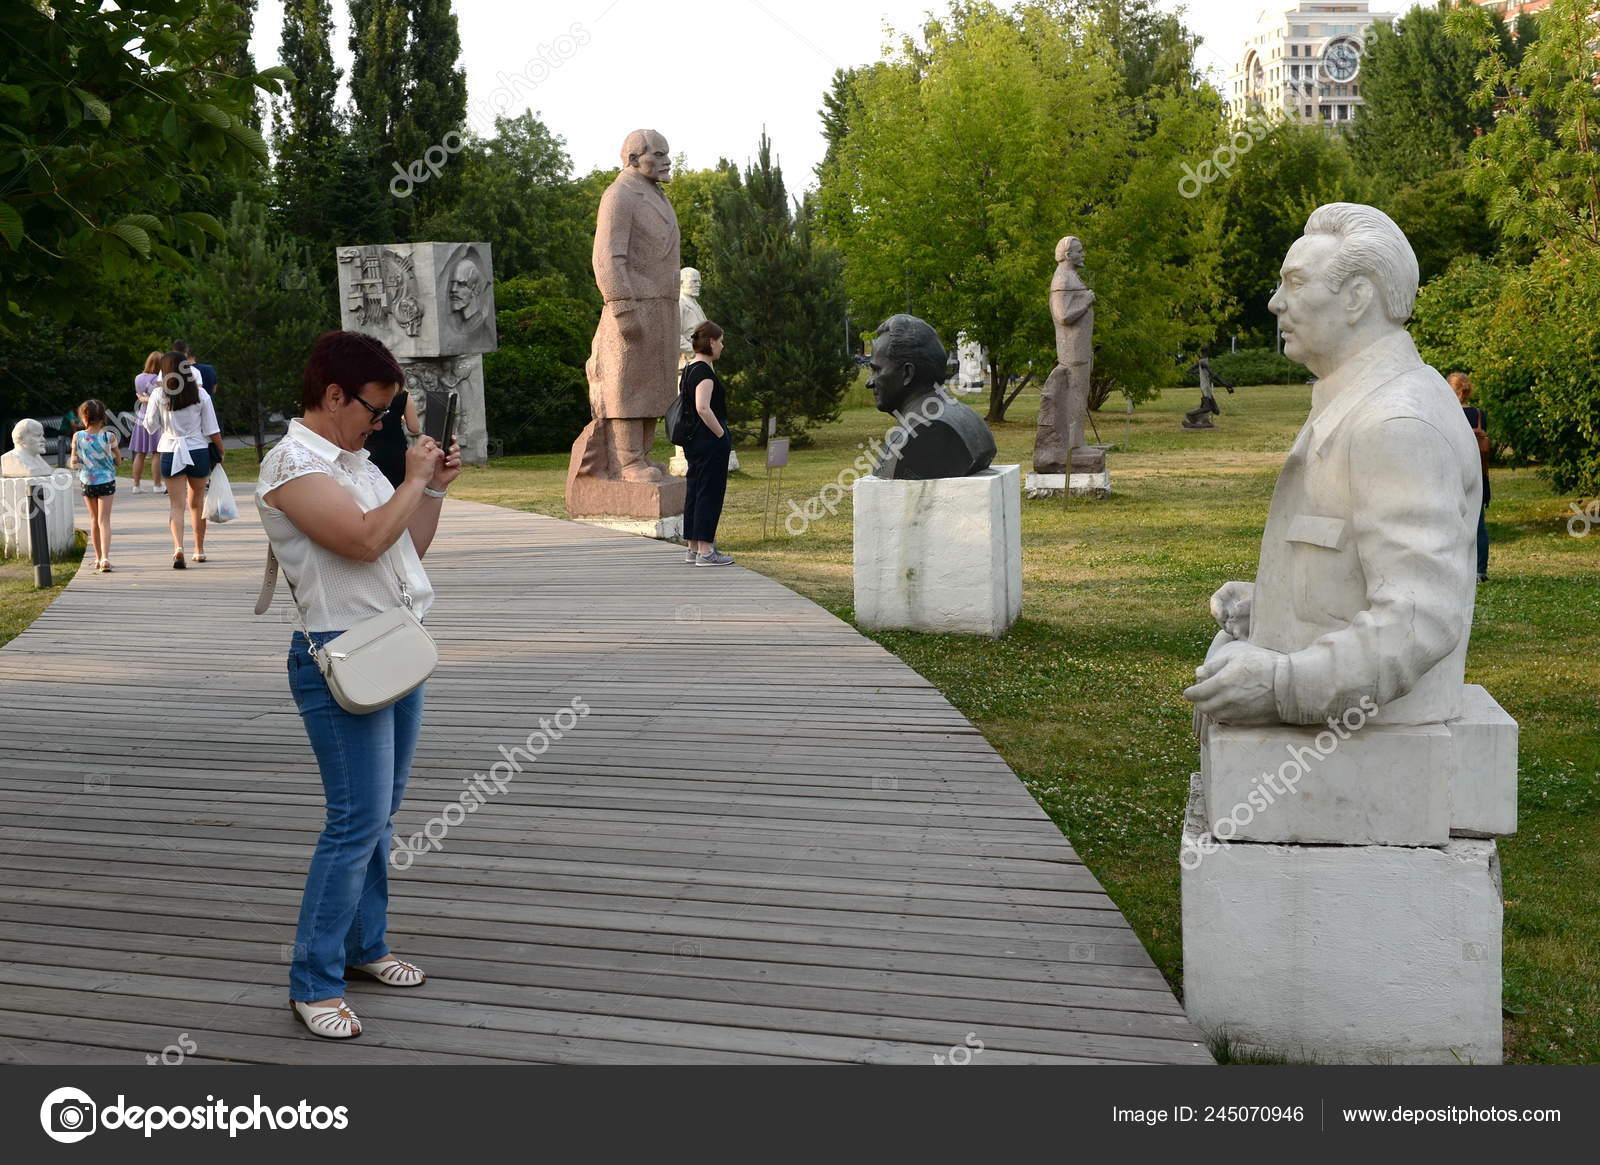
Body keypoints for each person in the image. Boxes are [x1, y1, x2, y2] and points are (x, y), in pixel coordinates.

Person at [1185, 203, 1480, 728]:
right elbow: (1360, 562)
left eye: (1295, 283)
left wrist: (1283, 686)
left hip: (1380, 738)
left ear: (1357, 297)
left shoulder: (1395, 422)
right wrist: (1275, 602)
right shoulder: (1356, 398)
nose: (1276, 303)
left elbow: (1420, 619)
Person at [257, 330, 460, 1040]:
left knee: (381, 811)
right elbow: (362, 540)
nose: (379, 423)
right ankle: (312, 980)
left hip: (392, 644)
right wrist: (409, 478)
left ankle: (363, 946)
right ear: (333, 394)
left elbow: (403, 548)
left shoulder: (354, 460)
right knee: (353, 820)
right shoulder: (291, 465)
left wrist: (428, 487)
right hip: (340, 658)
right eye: (374, 410)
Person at [142, 350, 224, 568]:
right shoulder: (201, 394)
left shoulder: (158, 396)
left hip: (169, 450)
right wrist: (221, 451)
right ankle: (200, 550)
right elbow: (212, 429)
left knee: (176, 505)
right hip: (198, 451)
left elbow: (149, 427)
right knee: (197, 503)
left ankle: (178, 547)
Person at [680, 321, 734, 566]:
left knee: (695, 490)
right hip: (709, 440)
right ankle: (706, 550)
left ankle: (693, 547)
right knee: (709, 493)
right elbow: (703, 408)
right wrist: (721, 434)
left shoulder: (689, 368)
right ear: (711, 342)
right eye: (720, 341)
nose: (722, 346)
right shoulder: (704, 372)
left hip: (693, 441)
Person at [68, 399, 120, 572]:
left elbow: (73, 460)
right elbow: (118, 460)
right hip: (106, 481)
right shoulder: (109, 436)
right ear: (103, 418)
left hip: (87, 482)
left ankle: (97, 558)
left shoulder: (78, 436)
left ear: (84, 417)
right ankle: (105, 558)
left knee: (93, 520)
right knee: (104, 520)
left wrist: (79, 463)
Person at [1450, 372, 1491, 582]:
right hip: (1478, 472)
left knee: (1453, 521)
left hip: (1454, 472)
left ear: (1454, 391)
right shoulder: (1479, 414)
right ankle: (1480, 570)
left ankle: (1458, 567)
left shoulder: (1447, 414)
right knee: (1479, 523)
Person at [364, 389, 422, 489]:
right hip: (395, 449)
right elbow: (414, 428)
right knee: (396, 490)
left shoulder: (368, 391)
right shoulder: (404, 395)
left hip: (369, 447)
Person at [129, 351, 166, 494]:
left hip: (141, 416)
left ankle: (136, 485)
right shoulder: (159, 380)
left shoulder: (138, 378)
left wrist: (145, 399)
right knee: (157, 452)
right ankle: (157, 485)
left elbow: (142, 396)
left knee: (140, 452)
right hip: (156, 418)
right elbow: (159, 400)